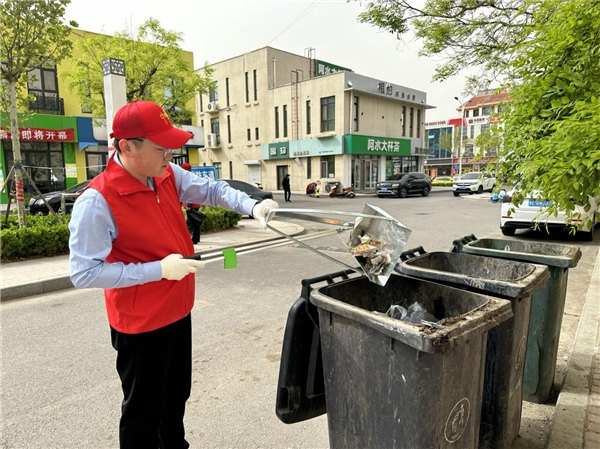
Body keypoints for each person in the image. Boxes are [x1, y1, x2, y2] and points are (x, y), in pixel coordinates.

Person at [68, 100, 278, 449]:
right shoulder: (98, 201)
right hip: (140, 324)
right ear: (127, 147)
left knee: (175, 401)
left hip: (178, 311)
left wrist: (252, 205)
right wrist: (158, 270)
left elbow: (211, 190)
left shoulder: (165, 175)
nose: (171, 155)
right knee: (143, 416)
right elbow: (85, 272)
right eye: (161, 147)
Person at [180, 162, 204, 244]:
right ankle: (196, 238)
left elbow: (190, 192)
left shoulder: (188, 179)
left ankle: (194, 239)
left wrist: (188, 205)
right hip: (196, 203)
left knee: (192, 223)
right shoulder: (193, 177)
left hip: (191, 204)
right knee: (195, 222)